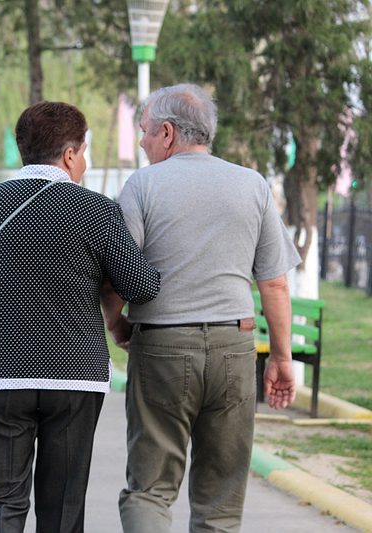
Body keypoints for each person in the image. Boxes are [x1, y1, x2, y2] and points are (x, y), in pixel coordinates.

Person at [0, 101, 161, 532]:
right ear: (71, 154)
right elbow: (141, 287)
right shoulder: (97, 210)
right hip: (74, 378)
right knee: (62, 509)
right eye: (85, 151)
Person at [101, 83, 302, 533]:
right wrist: (282, 358)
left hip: (163, 348)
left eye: (146, 130)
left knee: (150, 490)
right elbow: (274, 283)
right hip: (235, 347)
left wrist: (117, 324)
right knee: (221, 505)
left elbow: (116, 275)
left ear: (168, 133)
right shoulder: (251, 184)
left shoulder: (142, 186)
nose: (141, 140)